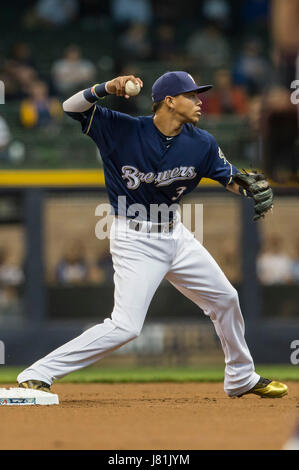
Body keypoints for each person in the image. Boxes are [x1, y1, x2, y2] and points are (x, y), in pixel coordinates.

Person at [17, 71, 287, 399]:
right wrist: (104, 88)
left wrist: (246, 188)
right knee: (126, 327)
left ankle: (241, 377)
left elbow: (229, 177)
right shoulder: (123, 128)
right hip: (134, 238)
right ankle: (38, 372)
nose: (199, 102)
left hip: (176, 235)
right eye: (191, 95)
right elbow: (71, 107)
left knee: (226, 299)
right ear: (170, 102)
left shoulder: (201, 142)